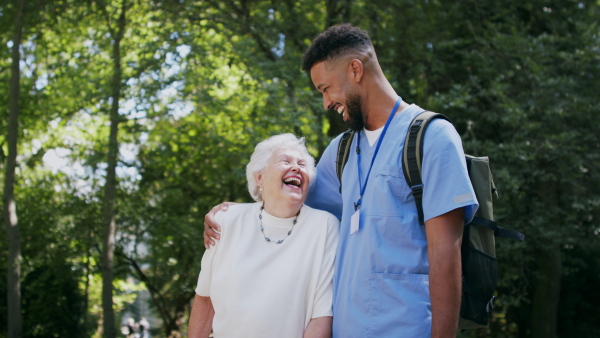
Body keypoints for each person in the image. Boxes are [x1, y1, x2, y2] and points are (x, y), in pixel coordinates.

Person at [204, 24, 478, 337]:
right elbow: (287, 208)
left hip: (409, 329)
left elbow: (446, 253)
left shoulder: (433, 138)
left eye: (326, 89)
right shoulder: (341, 151)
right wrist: (231, 213)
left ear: (355, 70)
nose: (326, 103)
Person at [188, 133, 339, 338]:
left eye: (302, 164)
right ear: (260, 177)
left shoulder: (324, 226)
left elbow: (321, 316)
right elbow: (205, 300)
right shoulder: (226, 221)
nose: (296, 167)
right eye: (285, 160)